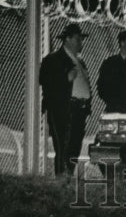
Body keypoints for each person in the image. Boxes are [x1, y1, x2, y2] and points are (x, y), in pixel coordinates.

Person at [39, 22, 93, 175]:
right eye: (77, 39)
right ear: (67, 40)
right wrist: (66, 78)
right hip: (63, 109)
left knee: (74, 147)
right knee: (64, 146)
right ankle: (61, 179)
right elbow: (44, 80)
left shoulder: (79, 61)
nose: (80, 43)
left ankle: (68, 178)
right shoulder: (54, 59)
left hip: (79, 110)